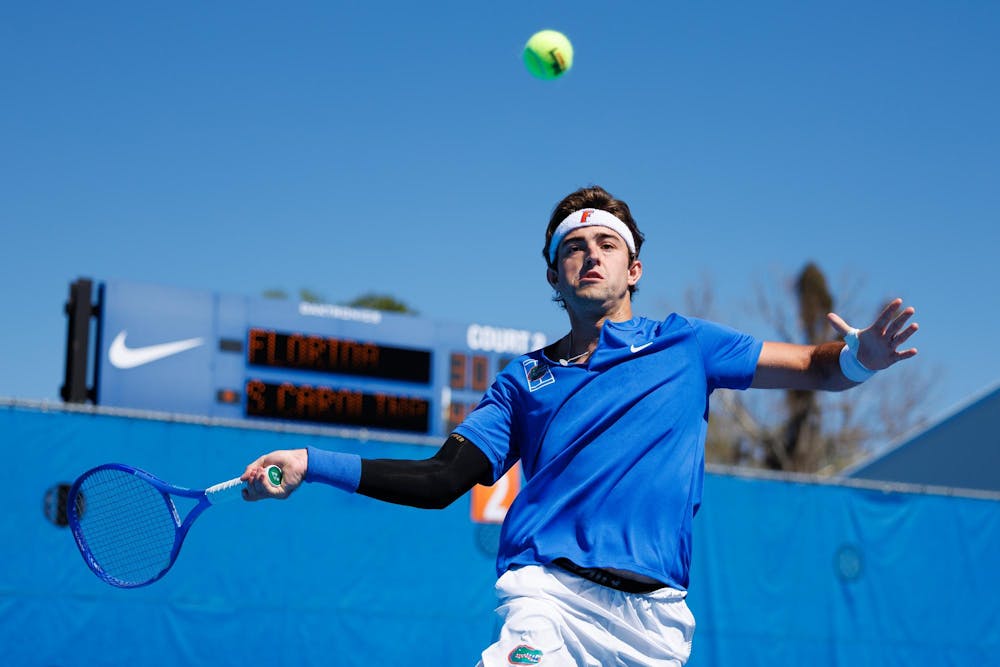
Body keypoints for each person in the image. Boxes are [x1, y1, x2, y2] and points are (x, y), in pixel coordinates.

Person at [241, 185, 919, 666]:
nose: (590, 255)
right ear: (555, 277)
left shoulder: (687, 345)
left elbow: (814, 366)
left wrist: (864, 355)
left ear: (634, 268)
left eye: (605, 243)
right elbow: (441, 478)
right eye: (573, 248)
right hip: (548, 593)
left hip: (657, 620)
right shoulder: (521, 382)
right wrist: (311, 461)